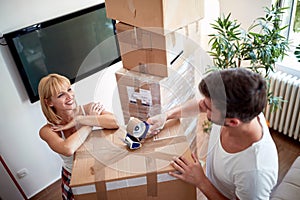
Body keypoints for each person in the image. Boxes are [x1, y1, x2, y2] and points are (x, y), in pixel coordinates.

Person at [147, 68, 278, 199]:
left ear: (232, 122)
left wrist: (201, 181)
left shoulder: (254, 173)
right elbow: (201, 105)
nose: (202, 105)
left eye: (208, 108)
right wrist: (166, 115)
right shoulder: (242, 111)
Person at [38, 73, 119, 200]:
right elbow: (68, 149)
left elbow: (117, 122)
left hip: (98, 167)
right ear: (49, 103)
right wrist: (89, 122)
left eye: (69, 89)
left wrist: (81, 119)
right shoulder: (47, 130)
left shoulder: (87, 108)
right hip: (74, 176)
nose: (69, 96)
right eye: (61, 95)